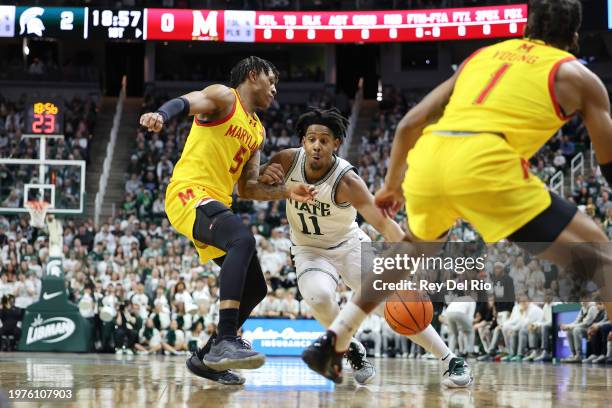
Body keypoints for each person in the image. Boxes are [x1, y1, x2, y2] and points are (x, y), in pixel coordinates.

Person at [303, 0, 612, 383]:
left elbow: (409, 124)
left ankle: (336, 337)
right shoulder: (577, 76)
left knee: (412, 249)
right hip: (485, 162)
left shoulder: (482, 56)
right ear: (575, 36)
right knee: (602, 258)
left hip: (430, 161)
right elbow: (607, 159)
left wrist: (392, 184)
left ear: (527, 26)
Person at [260, 108, 471, 387]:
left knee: (395, 305)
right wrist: (264, 172)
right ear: (303, 141)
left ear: (336, 144)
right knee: (319, 298)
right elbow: (254, 185)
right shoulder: (286, 161)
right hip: (308, 249)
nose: (316, 146)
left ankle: (450, 360)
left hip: (349, 246)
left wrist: (416, 264)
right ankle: (350, 348)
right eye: (311, 139)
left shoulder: (347, 181)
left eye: (324, 140)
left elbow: (384, 225)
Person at [140, 56, 317, 385]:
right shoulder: (225, 97)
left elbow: (247, 188)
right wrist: (161, 114)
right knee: (243, 240)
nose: (275, 89)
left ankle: (206, 359)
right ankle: (225, 340)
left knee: (257, 287)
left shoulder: (258, 132)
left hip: (215, 204)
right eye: (271, 80)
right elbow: (186, 101)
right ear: (253, 76)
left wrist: (286, 190)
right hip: (188, 193)